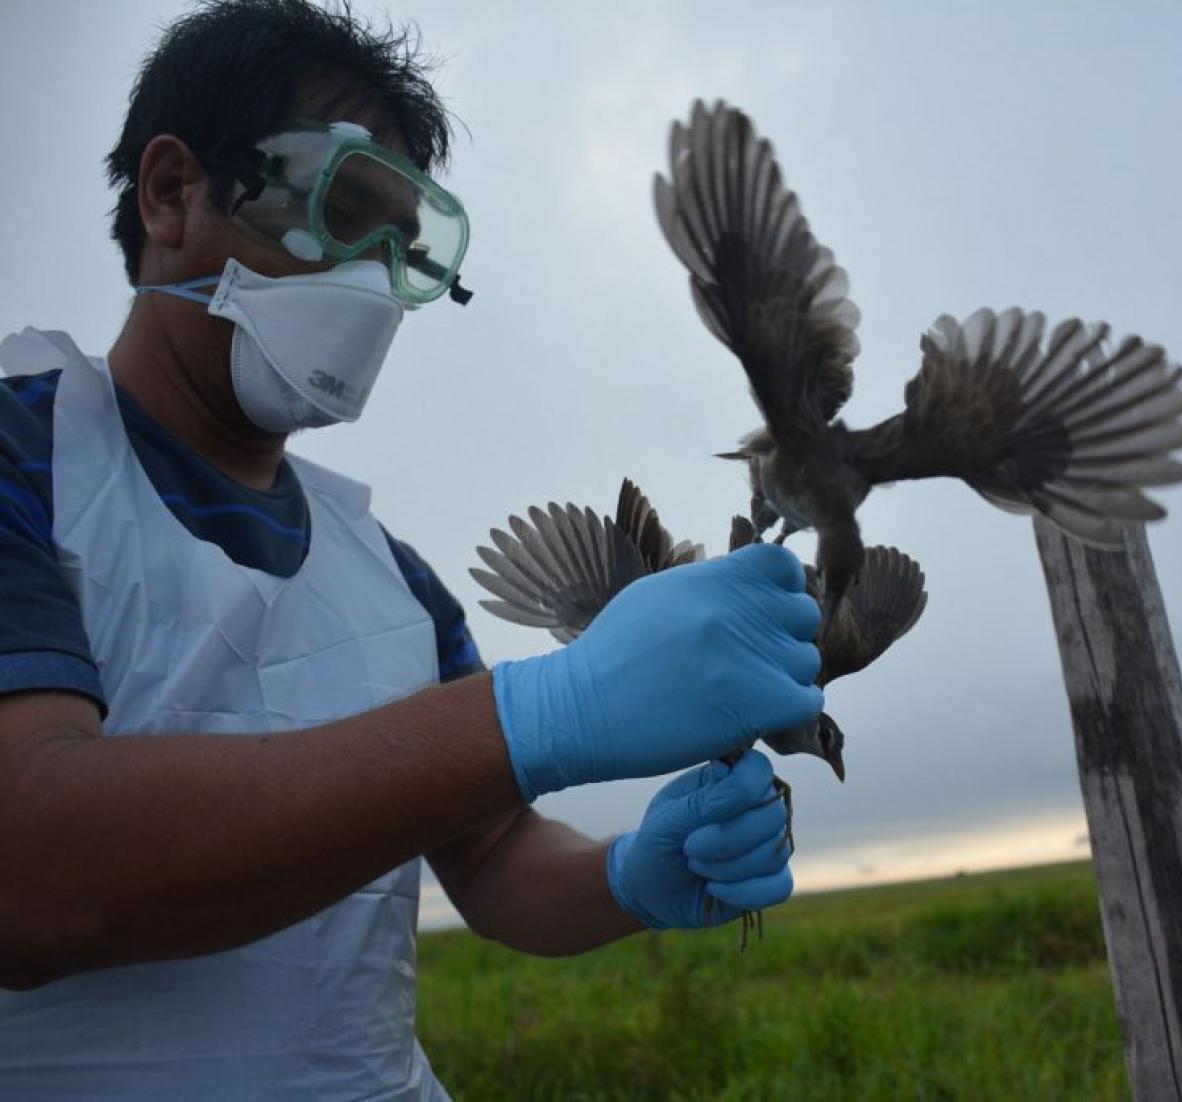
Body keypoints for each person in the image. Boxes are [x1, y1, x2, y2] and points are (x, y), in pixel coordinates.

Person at [0, 2, 822, 1097]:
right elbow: (30, 871)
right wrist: (539, 712)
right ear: (171, 192)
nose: (374, 277)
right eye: (347, 210)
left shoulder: (388, 578)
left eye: (407, 243)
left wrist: (625, 873)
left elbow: (490, 858)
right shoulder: (27, 453)